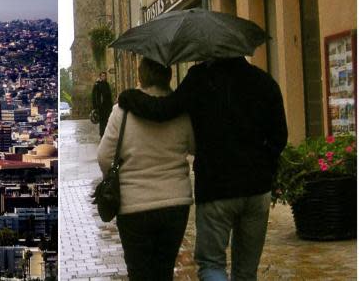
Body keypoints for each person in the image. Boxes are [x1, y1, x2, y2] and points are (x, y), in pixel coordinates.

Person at [118, 57, 288, 281]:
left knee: (212, 265)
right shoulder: (265, 82)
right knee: (246, 272)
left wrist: (129, 96)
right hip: (257, 189)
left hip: (217, 187)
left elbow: (163, 110)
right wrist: (263, 166)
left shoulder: (200, 78)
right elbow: (279, 137)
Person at [97, 58, 195, 280]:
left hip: (134, 205)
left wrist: (117, 176)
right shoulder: (181, 110)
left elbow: (104, 157)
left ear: (140, 76)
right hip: (175, 202)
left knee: (139, 272)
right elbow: (194, 146)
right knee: (164, 271)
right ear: (169, 75)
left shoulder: (121, 112)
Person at [91, 72, 113, 137]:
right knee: (102, 122)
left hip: (108, 106)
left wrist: (111, 105)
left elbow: (109, 96)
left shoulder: (107, 84)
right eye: (102, 76)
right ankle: (102, 135)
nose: (104, 77)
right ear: (100, 77)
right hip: (101, 107)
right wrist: (95, 106)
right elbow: (94, 96)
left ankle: (107, 134)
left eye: (105, 76)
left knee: (108, 120)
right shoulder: (97, 85)